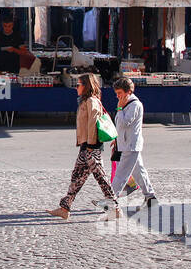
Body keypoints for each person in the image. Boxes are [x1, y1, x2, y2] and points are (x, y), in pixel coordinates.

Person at [47, 73, 117, 220]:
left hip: (91, 146)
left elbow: (92, 123)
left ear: (86, 86)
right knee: (77, 177)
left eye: (78, 84)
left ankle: (115, 207)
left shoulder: (91, 101)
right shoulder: (85, 101)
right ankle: (65, 208)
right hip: (86, 146)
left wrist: (91, 145)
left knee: (101, 177)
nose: (76, 87)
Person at [106, 77, 157, 212]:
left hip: (130, 145)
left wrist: (120, 108)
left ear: (128, 92)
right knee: (139, 172)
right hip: (128, 144)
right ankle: (150, 197)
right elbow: (121, 126)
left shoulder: (134, 105)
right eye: (116, 94)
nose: (118, 96)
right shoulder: (126, 103)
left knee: (121, 174)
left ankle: (110, 200)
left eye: (120, 93)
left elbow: (125, 122)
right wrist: (116, 139)